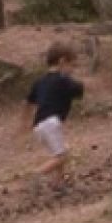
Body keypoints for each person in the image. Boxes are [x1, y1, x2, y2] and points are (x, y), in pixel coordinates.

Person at [25, 42, 84, 184]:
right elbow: (80, 89)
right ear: (62, 61)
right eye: (73, 66)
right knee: (61, 156)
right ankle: (37, 175)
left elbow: (28, 102)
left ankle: (59, 182)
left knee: (59, 152)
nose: (73, 71)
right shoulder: (63, 80)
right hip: (51, 123)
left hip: (39, 125)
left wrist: (23, 124)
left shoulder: (39, 81)